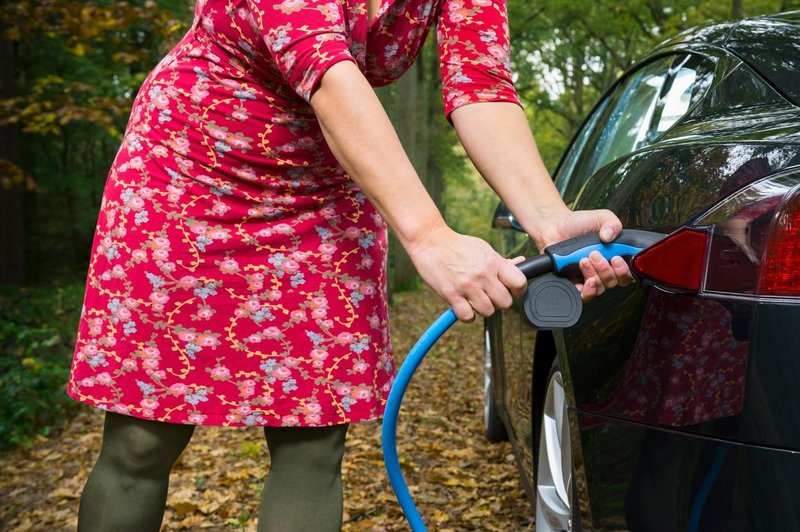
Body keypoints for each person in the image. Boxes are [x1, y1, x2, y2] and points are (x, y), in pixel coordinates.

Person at [67, 0, 632, 529]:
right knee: (143, 438)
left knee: (313, 439)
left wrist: (546, 215)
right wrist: (430, 234)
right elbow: (324, 64)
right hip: (189, 176)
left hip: (323, 193)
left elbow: (479, 83)